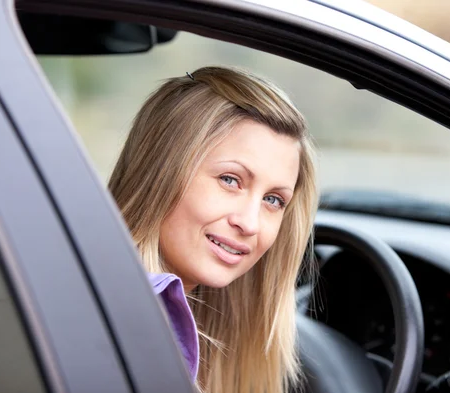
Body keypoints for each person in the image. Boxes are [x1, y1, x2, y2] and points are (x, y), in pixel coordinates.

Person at [108, 66, 318, 393]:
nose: (249, 223)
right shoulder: (125, 330)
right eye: (230, 180)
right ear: (159, 172)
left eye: (274, 200)